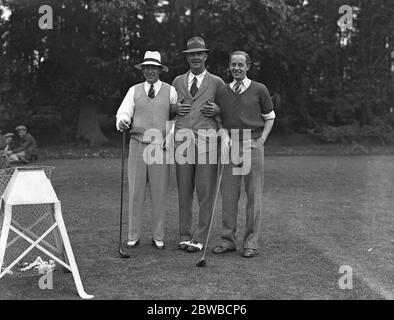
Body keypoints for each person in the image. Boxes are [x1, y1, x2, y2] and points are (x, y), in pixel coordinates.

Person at [212, 51, 275, 258]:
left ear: (248, 66)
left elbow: (270, 117)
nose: (237, 68)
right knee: (229, 195)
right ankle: (227, 240)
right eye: (233, 65)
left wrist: (262, 140)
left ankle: (250, 242)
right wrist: (224, 134)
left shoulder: (260, 89)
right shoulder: (222, 91)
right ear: (229, 67)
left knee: (253, 196)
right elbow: (219, 119)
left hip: (253, 144)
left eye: (241, 65)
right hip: (230, 146)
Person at [116, 51, 177, 250]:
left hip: (161, 146)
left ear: (160, 70)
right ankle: (133, 235)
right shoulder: (134, 90)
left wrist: (170, 136)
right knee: (136, 192)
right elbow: (123, 112)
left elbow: (175, 118)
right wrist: (123, 121)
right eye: (146, 68)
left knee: (159, 192)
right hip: (137, 144)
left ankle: (158, 236)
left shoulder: (171, 91)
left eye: (154, 68)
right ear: (143, 70)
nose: (150, 71)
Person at [171, 36, 224, 253]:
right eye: (191, 54)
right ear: (187, 57)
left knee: (205, 192)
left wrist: (219, 111)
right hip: (183, 143)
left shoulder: (217, 82)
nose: (195, 57)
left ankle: (200, 237)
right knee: (184, 191)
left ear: (205, 56)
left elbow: (227, 109)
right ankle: (184, 235)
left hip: (207, 144)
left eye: (199, 53)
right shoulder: (176, 82)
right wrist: (174, 109)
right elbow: (164, 108)